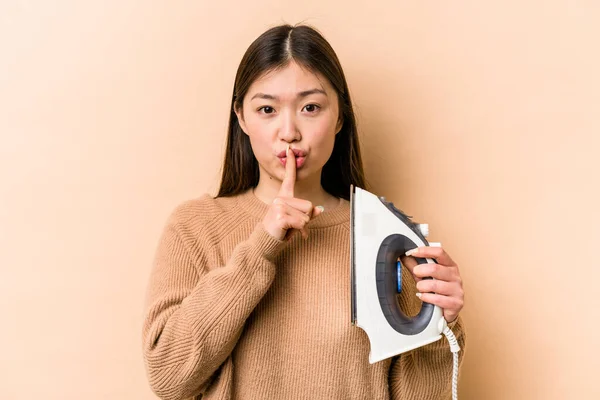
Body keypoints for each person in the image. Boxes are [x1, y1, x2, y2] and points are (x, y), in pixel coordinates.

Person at [142, 23, 466, 400]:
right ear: (242, 118)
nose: (289, 131)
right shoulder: (195, 227)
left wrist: (439, 326)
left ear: (340, 117)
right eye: (267, 109)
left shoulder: (386, 237)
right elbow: (168, 377)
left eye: (310, 107)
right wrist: (262, 246)